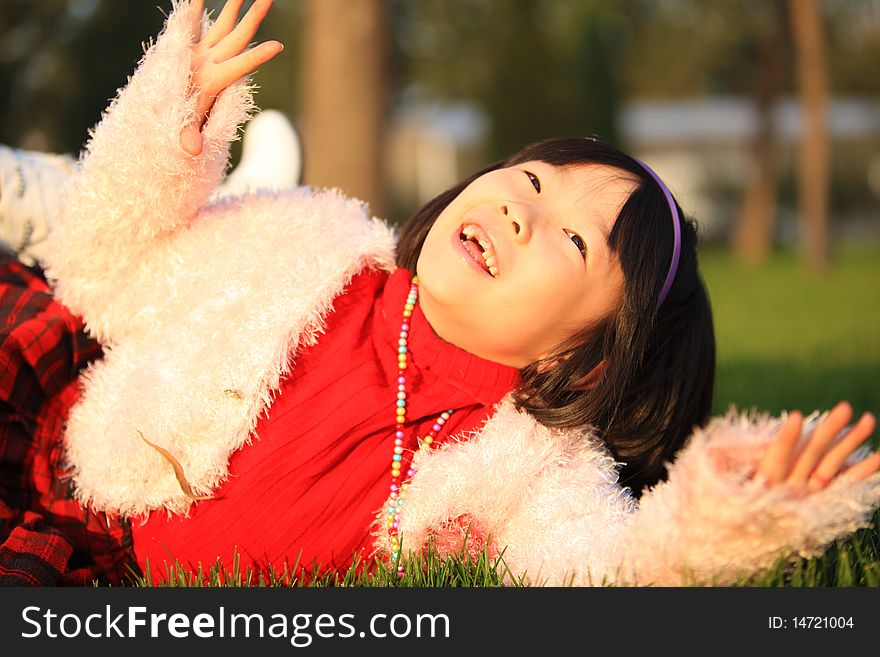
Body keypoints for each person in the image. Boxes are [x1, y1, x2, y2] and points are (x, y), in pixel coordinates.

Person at [1, 0, 878, 587]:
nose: (522, 212)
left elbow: (605, 565)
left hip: (104, 572)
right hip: (53, 424)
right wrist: (175, 120)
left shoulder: (530, 469)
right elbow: (108, 260)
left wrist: (728, 517)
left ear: (589, 358)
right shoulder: (310, 243)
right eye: (528, 180)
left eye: (574, 240)